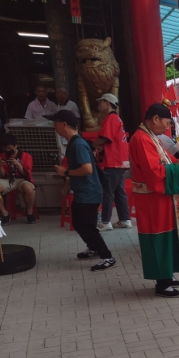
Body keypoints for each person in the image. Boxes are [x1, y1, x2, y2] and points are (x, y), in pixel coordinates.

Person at [129, 103, 179, 298]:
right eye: (166, 123)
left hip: (160, 198)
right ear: (155, 119)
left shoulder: (150, 136)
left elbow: (165, 162)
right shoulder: (142, 139)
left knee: (169, 235)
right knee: (158, 237)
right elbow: (154, 173)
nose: (167, 128)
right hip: (152, 200)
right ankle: (162, 283)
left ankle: (168, 275)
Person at [46, 110, 116, 272]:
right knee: (78, 223)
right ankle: (93, 248)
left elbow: (87, 169)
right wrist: (68, 184)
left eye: (54, 122)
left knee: (87, 226)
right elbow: (78, 168)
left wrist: (66, 173)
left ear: (64, 124)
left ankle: (107, 256)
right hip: (83, 192)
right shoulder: (74, 143)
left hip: (89, 193)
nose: (53, 126)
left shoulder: (77, 144)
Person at [94, 93, 131, 230]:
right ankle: (124, 219)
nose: (99, 105)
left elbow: (104, 138)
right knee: (118, 191)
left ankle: (105, 221)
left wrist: (91, 145)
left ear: (107, 103)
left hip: (113, 161)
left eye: (100, 102)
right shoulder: (117, 119)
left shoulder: (111, 119)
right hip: (120, 160)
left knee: (108, 191)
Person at [0, 133, 37, 224]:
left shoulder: (26, 156)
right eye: (5, 148)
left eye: (9, 148)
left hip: (22, 179)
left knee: (29, 188)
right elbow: (1, 176)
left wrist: (18, 165)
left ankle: (29, 211)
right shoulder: (1, 157)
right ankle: (5, 213)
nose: (7, 150)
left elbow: (27, 174)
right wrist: (0, 166)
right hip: (7, 180)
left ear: (16, 146)